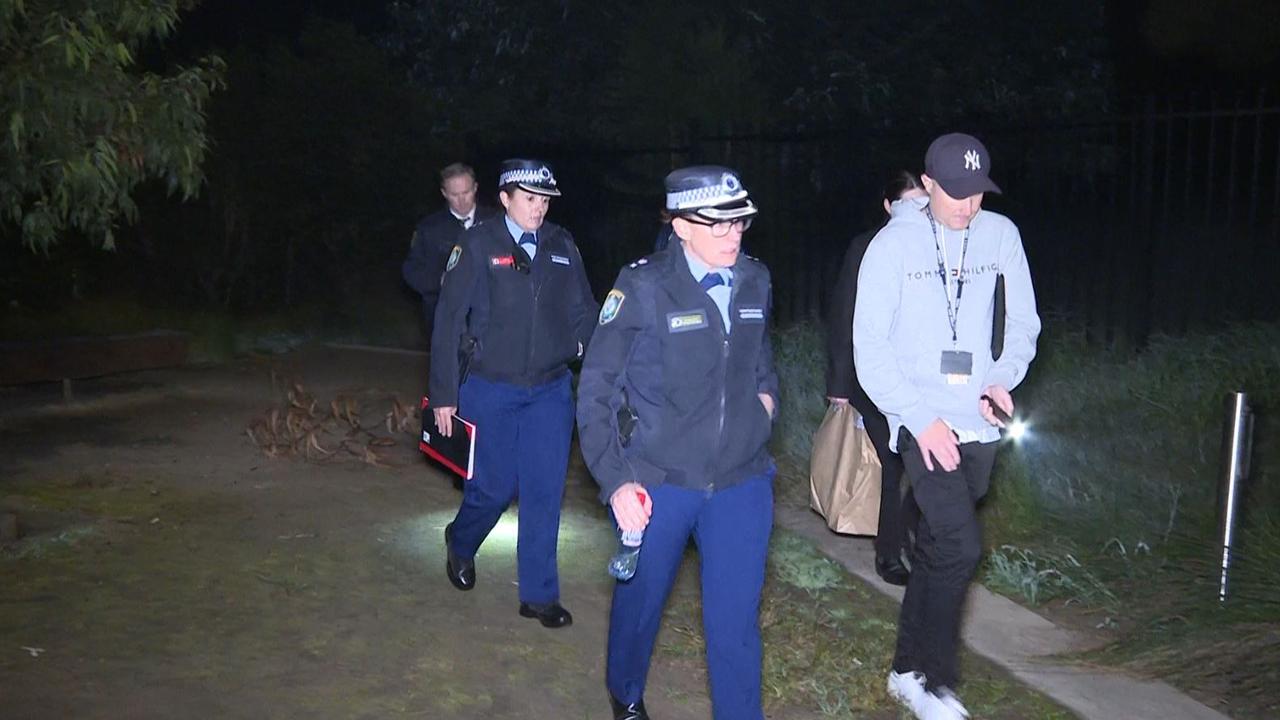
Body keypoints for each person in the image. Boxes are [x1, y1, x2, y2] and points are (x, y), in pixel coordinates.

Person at [577, 166, 779, 720]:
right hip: (659, 483)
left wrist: (764, 409)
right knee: (639, 607)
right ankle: (625, 692)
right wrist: (617, 480)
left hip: (742, 481)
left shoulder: (755, 279)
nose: (733, 234)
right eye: (718, 224)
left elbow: (762, 366)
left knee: (735, 625)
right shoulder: (642, 286)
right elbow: (595, 390)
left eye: (740, 221)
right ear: (682, 226)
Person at [853, 134, 1040, 720]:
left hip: (978, 423)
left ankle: (904, 670)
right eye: (955, 193)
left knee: (937, 549)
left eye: (977, 192)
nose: (967, 206)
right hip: (919, 419)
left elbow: (1024, 322)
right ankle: (937, 683)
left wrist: (1002, 377)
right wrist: (918, 420)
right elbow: (869, 349)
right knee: (961, 547)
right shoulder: (891, 247)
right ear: (928, 184)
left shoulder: (1001, 235)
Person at [429, 158, 598, 629]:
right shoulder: (478, 243)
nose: (538, 208)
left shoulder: (562, 245)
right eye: (529, 199)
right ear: (504, 199)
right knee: (493, 488)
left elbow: (585, 309)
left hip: (549, 391)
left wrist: (592, 350)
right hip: (490, 387)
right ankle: (461, 541)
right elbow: (447, 321)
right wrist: (444, 393)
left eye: (544, 200)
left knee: (545, 491)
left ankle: (540, 596)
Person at [826, 170, 926, 586]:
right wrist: (839, 386)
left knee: (927, 463)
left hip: (922, 378)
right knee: (891, 462)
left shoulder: (937, 248)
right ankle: (889, 552)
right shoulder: (867, 247)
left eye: (925, 201)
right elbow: (843, 314)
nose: (920, 209)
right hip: (875, 375)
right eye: (910, 202)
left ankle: (915, 540)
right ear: (889, 207)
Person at [401, 163, 498, 336]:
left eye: (466, 193)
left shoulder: (496, 223)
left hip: (490, 318)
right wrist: (441, 281)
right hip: (444, 317)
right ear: (444, 193)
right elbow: (411, 270)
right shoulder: (429, 228)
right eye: (454, 194)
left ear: (475, 188)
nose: (461, 200)